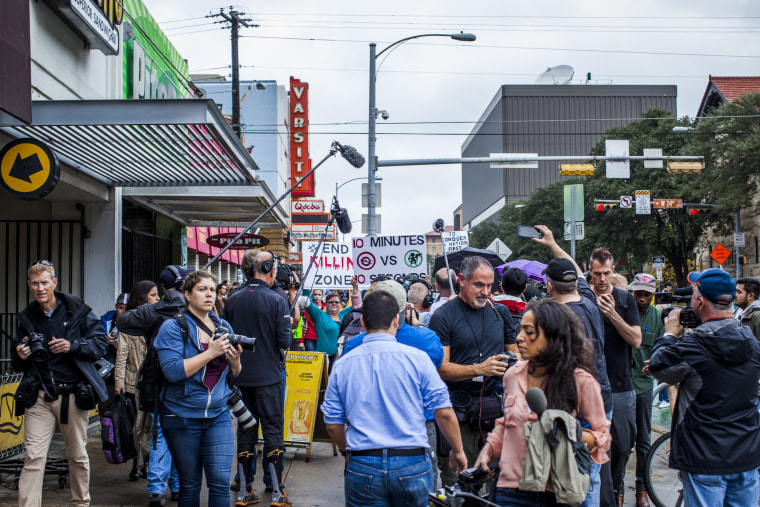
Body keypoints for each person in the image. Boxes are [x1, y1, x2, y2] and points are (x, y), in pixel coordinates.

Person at [322, 290, 467, 506]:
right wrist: (458, 450)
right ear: (396, 320)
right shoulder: (418, 359)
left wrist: (348, 450)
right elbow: (443, 412)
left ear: (362, 322)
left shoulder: (344, 364)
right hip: (412, 462)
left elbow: (333, 423)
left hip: (363, 461)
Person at [474, 298, 611, 506]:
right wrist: (488, 450)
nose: (519, 338)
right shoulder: (512, 376)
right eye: (520, 330)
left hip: (556, 490)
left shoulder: (580, 380)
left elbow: (603, 437)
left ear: (552, 337)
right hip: (510, 489)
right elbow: (507, 423)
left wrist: (570, 431)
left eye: (529, 332)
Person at [649, 269, 760, 506]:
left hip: (704, 455)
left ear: (700, 302)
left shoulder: (696, 344)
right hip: (746, 453)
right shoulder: (750, 340)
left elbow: (659, 366)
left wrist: (669, 334)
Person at [12, 260, 109, 507]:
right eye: (35, 284)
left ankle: (81, 502)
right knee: (33, 457)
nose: (40, 288)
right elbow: (17, 362)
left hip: (72, 395)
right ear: (29, 285)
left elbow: (100, 345)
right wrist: (20, 355)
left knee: (76, 456)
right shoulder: (27, 317)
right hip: (40, 396)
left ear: (54, 283)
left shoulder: (78, 311)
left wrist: (71, 346)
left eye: (44, 282)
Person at [531, 224, 612, 507]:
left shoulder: (558, 317)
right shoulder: (590, 300)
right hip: (602, 397)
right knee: (593, 470)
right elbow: (577, 272)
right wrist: (553, 244)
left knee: (575, 474)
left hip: (576, 403)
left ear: (549, 286)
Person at [342, 280, 444, 485]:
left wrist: (346, 449)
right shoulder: (427, 339)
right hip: (418, 430)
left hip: (367, 433)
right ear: (405, 308)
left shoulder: (353, 346)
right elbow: (438, 368)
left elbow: (336, 410)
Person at [154, 270, 242, 507]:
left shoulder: (223, 325)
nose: (209, 294)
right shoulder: (172, 328)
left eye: (212, 290)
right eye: (202, 289)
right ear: (187, 295)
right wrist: (210, 353)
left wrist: (235, 360)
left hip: (218, 415)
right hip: (181, 416)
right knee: (190, 484)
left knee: (221, 483)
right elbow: (172, 372)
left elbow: (234, 373)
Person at [428, 255, 518, 486]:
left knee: (495, 483)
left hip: (495, 409)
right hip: (459, 414)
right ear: (461, 280)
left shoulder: (500, 313)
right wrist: (480, 368)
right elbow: (441, 369)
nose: (485, 292)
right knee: (461, 484)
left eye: (489, 286)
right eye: (479, 285)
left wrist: (510, 362)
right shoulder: (443, 316)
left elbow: (516, 357)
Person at [117, 265, 192, 507]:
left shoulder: (177, 306)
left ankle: (162, 489)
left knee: (163, 434)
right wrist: (158, 307)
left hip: (168, 380)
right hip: (172, 381)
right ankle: (164, 489)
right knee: (172, 434)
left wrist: (156, 308)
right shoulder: (172, 307)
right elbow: (124, 322)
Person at [224, 250, 293, 506]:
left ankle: (244, 489)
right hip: (269, 378)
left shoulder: (233, 298)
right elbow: (284, 341)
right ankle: (276, 492)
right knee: (273, 430)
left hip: (240, 377)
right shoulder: (278, 299)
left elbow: (226, 335)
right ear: (270, 269)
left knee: (246, 430)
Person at [589, 247, 642, 507]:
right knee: (597, 448)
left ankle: (616, 487)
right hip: (591, 386)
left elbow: (636, 340)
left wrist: (612, 314)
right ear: (590, 271)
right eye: (597, 273)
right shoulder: (584, 298)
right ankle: (606, 497)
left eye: (606, 273)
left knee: (622, 446)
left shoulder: (624, 299)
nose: (602, 279)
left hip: (620, 384)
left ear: (613, 272)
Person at [114, 280, 161, 483]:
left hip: (155, 381)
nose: (158, 299)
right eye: (153, 295)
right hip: (135, 382)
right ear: (143, 297)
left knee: (152, 425)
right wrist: (119, 383)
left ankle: (149, 461)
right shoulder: (130, 321)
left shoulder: (159, 319)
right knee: (139, 425)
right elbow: (122, 355)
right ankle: (140, 462)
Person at [629, 273, 663, 507]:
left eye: (646, 295)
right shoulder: (623, 311)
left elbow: (661, 347)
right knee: (619, 440)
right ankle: (617, 489)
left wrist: (657, 363)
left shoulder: (656, 317)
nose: (641, 298)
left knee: (643, 439)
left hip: (642, 385)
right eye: (638, 294)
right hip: (620, 384)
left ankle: (642, 488)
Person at [303, 282, 362, 360]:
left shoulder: (343, 314)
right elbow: (307, 301)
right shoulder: (319, 315)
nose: (334, 304)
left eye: (337, 302)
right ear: (326, 304)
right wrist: (305, 284)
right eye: (331, 302)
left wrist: (355, 288)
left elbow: (357, 304)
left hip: (341, 357)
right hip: (324, 359)